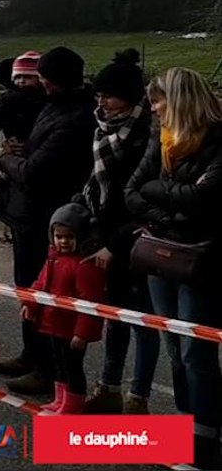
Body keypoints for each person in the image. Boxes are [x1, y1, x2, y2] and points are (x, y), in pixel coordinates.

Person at [125, 67, 222, 467]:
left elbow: (206, 199)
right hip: (161, 251)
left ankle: (206, 434)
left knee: (196, 352)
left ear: (179, 100)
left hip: (202, 259)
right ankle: (185, 422)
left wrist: (162, 196)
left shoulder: (217, 139)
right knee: (174, 345)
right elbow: (132, 190)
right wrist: (169, 209)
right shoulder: (159, 137)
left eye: (158, 101)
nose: (153, 109)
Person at [0, 46, 97, 395]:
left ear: (56, 80)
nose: (40, 84)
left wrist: (6, 160)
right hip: (28, 214)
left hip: (48, 217)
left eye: (44, 78)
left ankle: (48, 370)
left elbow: (36, 173)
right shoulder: (53, 106)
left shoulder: (76, 118)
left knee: (49, 295)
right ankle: (31, 354)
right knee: (28, 288)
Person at [77, 50, 158, 415]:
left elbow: (144, 200)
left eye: (109, 96)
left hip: (137, 239)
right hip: (106, 235)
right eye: (98, 95)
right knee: (115, 315)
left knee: (143, 322)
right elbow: (95, 183)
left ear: (128, 96)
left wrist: (116, 243)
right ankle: (108, 387)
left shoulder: (148, 136)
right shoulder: (102, 131)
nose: (102, 103)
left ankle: (138, 398)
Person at [22, 203, 106, 415]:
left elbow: (90, 301)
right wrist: (30, 304)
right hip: (53, 323)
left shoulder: (85, 265)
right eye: (59, 237)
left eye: (69, 237)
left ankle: (73, 404)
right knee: (59, 364)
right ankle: (60, 399)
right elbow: (41, 283)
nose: (63, 241)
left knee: (73, 367)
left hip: (70, 328)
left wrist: (82, 333)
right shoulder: (53, 258)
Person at [0, 51, 47, 143]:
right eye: (18, 77)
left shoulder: (46, 97)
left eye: (28, 77)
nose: (22, 81)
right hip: (15, 138)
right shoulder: (8, 97)